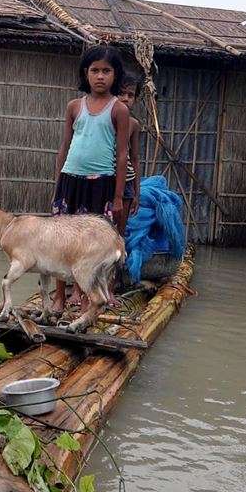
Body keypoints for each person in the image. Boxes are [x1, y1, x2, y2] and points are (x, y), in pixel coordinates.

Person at [48, 45, 131, 315]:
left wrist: (118, 197)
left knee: (90, 245)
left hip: (101, 183)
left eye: (106, 71)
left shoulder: (119, 110)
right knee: (60, 241)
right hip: (70, 181)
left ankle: (86, 299)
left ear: (115, 75)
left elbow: (121, 155)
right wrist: (58, 183)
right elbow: (64, 147)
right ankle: (59, 298)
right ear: (86, 73)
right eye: (94, 70)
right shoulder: (74, 106)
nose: (100, 76)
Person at [117, 75, 143, 219]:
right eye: (121, 93)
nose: (126, 98)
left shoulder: (133, 124)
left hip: (127, 181)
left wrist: (136, 193)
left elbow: (134, 159)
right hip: (105, 178)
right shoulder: (103, 120)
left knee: (119, 231)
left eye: (131, 95)